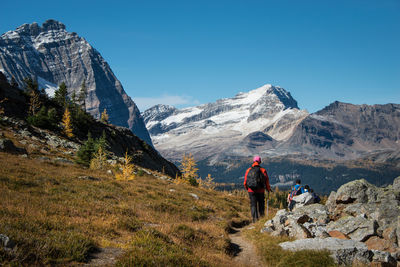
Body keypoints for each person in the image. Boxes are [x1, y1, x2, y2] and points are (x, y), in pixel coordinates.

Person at [244, 156, 271, 223]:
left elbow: (245, 182)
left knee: (253, 205)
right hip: (261, 190)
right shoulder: (263, 170)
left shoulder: (248, 170)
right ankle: (262, 219)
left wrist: (248, 188)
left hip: (251, 190)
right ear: (260, 162)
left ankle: (254, 220)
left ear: (253, 161)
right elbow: (266, 181)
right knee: (261, 204)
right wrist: (268, 189)